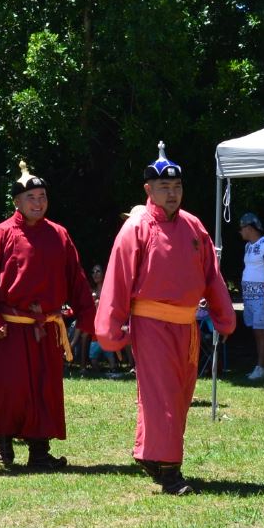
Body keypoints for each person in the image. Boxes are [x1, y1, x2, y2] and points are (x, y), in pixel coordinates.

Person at [96, 143, 237, 494]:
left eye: (176, 188)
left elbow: (211, 275)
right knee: (162, 395)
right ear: (149, 190)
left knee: (180, 395)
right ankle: (171, 471)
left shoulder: (193, 227)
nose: (171, 194)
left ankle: (149, 453)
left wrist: (224, 315)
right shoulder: (136, 229)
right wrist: (110, 329)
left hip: (186, 325)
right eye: (164, 188)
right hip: (151, 324)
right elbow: (117, 279)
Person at [0, 161, 95, 469]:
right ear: (17, 201)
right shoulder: (0, 235)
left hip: (48, 328)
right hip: (11, 328)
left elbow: (76, 278)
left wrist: (87, 316)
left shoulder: (59, 235)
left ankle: (39, 451)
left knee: (45, 386)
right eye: (32, 197)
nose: (38, 202)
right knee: (10, 388)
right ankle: (2, 439)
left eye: (42, 196)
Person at [238, 212, 264, 381]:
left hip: (261, 295)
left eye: (242, 228)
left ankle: (261, 367)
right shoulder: (248, 246)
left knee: (261, 331)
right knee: (255, 330)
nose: (240, 231)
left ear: (250, 228)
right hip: (249, 295)